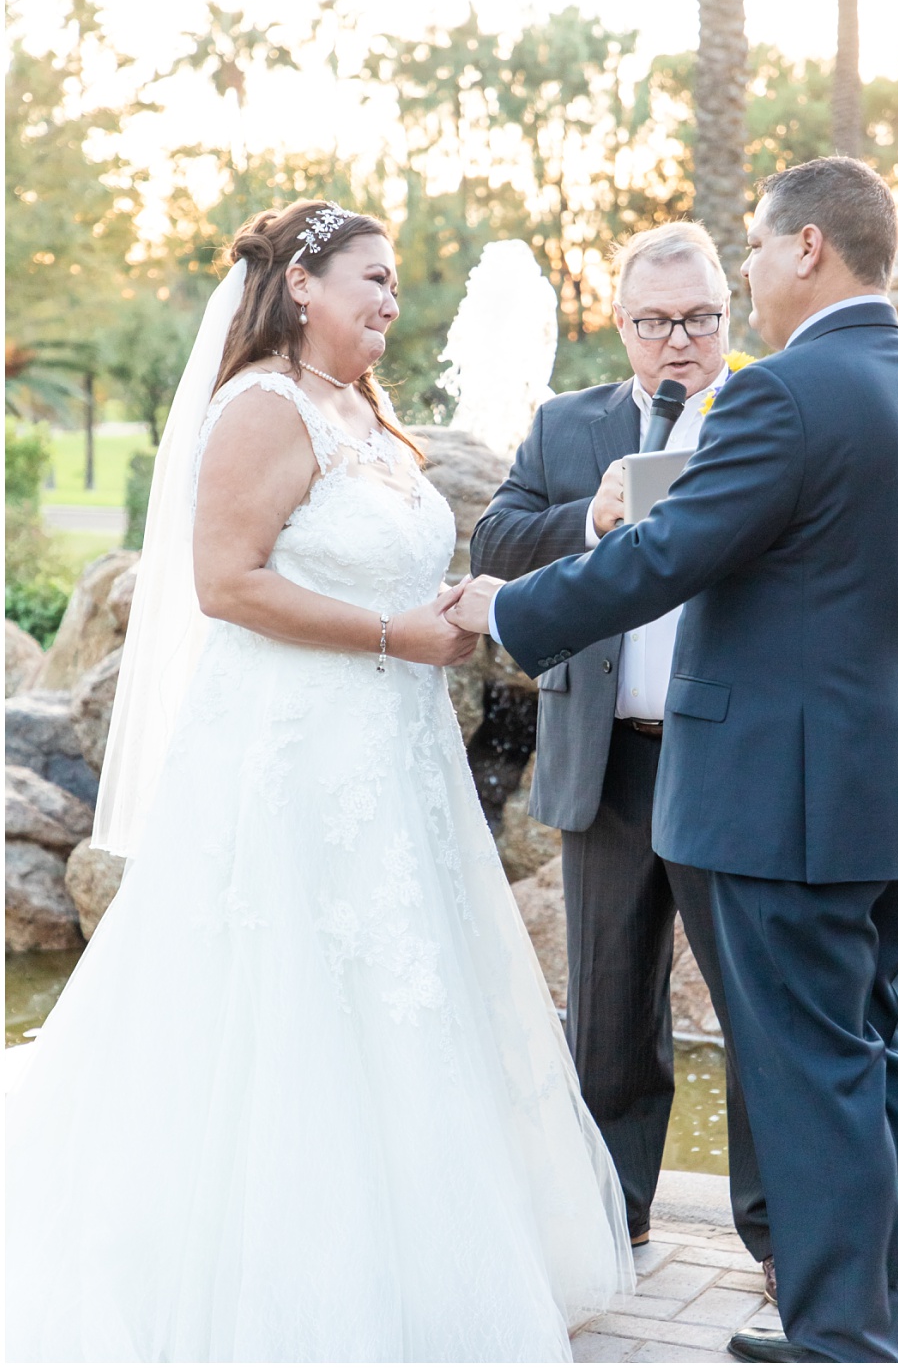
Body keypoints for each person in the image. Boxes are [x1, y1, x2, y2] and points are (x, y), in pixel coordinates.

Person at [6, 199, 631, 1362]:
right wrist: (393, 634)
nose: (393, 302)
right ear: (303, 285)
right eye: (374, 279)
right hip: (292, 757)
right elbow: (225, 582)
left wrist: (447, 608)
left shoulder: (367, 414)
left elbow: (387, 568)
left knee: (404, 998)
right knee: (286, 997)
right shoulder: (260, 406)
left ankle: (429, 1264)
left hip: (395, 761)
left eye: (397, 286)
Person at [444, 157, 898, 1364]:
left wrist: (504, 612)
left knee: (815, 1072)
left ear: (809, 250)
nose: (745, 278)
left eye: (753, 255)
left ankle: (845, 1340)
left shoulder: (780, 395)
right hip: (883, 785)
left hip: (777, 796)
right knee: (872, 1053)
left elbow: (665, 556)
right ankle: (891, 1314)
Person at [469, 222, 771, 1287]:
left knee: (757, 1009)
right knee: (606, 1011)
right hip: (606, 759)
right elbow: (492, 544)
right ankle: (612, 1220)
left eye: (698, 319)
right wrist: (584, 517)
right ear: (623, 326)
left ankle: (783, 1245)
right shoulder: (567, 424)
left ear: (729, 314)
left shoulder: (771, 414)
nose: (677, 341)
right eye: (655, 322)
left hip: (733, 757)